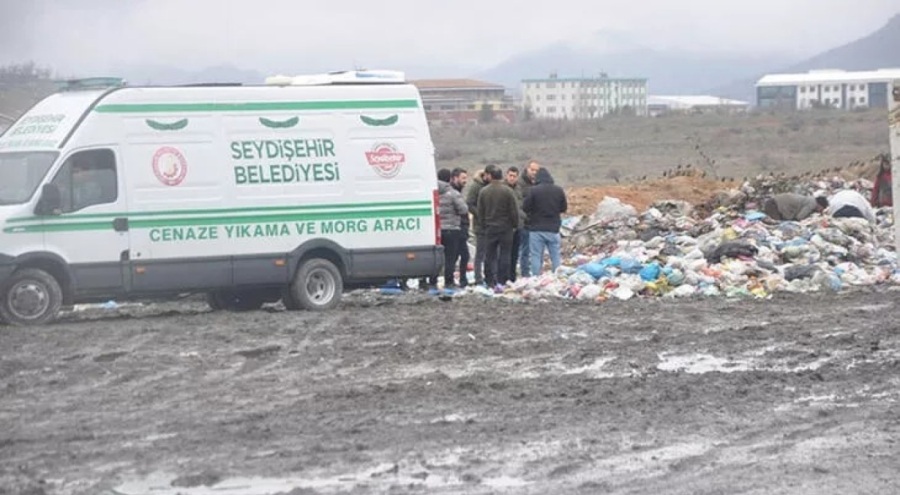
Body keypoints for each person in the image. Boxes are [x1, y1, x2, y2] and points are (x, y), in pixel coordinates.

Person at [476, 166, 519, 287]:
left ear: (490, 176)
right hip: (506, 228)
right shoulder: (508, 191)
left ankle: (489, 280)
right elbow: (514, 211)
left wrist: (483, 225)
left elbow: (480, 212)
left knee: (489, 254)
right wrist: (515, 225)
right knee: (505, 254)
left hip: (490, 227)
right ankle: (502, 280)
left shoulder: (484, 191)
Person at [524, 167, 567, 276]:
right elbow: (563, 208)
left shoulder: (533, 191)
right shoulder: (558, 190)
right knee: (555, 256)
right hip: (553, 229)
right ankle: (558, 277)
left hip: (536, 229)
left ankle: (536, 278)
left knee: (536, 256)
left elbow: (525, 207)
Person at [436, 168, 468, 288]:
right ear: (450, 179)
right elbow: (463, 209)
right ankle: (448, 281)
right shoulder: (453, 193)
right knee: (450, 257)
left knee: (438, 258)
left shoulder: (432, 192)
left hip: (437, 230)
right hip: (452, 229)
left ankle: (432, 281)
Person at [516, 160, 540, 277]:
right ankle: (524, 273)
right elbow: (519, 203)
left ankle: (532, 273)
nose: (534, 172)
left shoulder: (537, 183)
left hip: (535, 222)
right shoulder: (520, 183)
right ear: (527, 169)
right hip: (524, 222)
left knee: (533, 250)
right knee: (524, 250)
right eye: (532, 170)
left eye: (536, 170)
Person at [504, 166, 526, 282]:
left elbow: (521, 205)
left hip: (518, 225)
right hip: (506, 226)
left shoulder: (519, 189)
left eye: (514, 176)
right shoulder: (503, 188)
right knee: (504, 253)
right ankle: (504, 276)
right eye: (510, 176)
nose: (512, 178)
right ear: (506, 175)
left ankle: (512, 276)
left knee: (514, 253)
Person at [450, 167, 470, 287]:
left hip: (459, 227)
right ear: (455, 178)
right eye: (463, 178)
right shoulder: (454, 193)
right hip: (457, 227)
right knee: (461, 255)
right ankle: (461, 279)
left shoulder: (457, 191)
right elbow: (463, 210)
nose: (465, 181)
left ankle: (458, 278)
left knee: (459, 255)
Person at [762, 193, 828, 221]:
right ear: (820, 205)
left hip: (773, 203)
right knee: (776, 226)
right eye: (822, 209)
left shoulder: (809, 200)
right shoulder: (812, 204)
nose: (821, 211)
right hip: (774, 206)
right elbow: (799, 217)